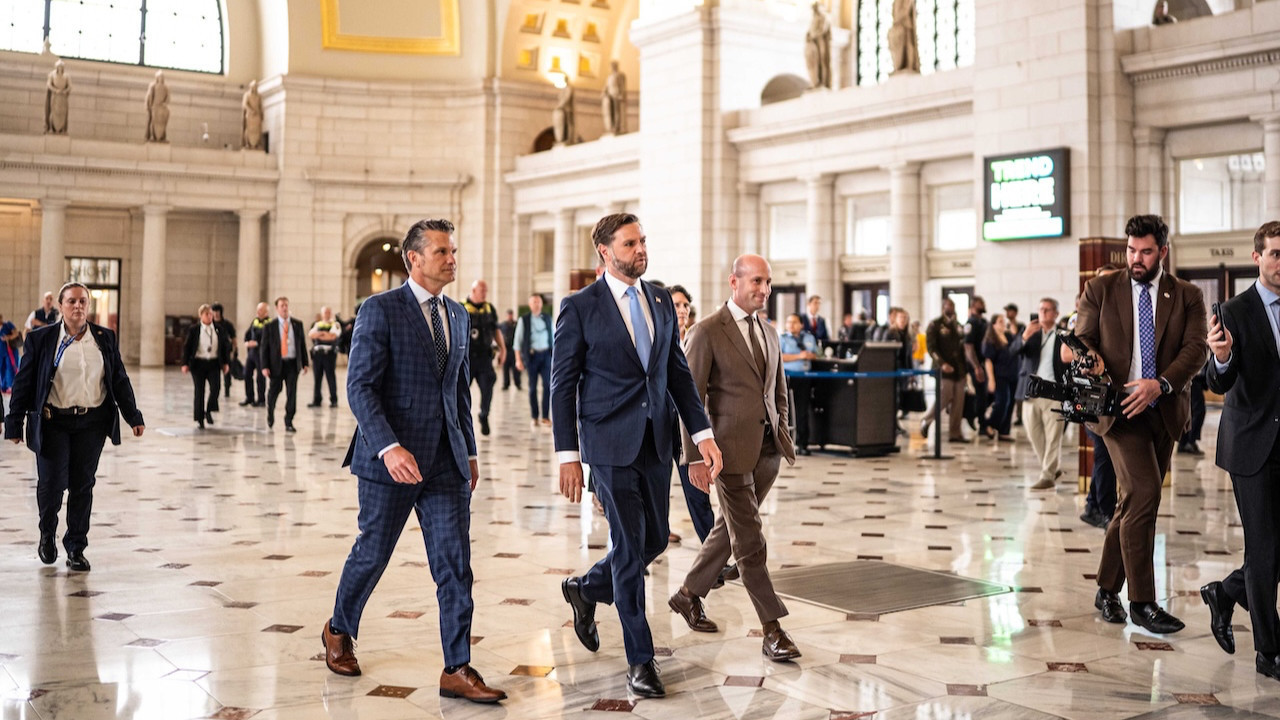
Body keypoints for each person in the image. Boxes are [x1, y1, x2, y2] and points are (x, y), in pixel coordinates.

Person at [324, 218, 505, 704]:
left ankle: (456, 667)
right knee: (373, 552)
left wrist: (468, 449)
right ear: (414, 259)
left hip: (445, 462)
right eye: (442, 252)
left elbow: (458, 392)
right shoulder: (379, 310)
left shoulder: (460, 315)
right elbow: (360, 386)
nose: (452, 259)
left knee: (455, 563)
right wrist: (388, 446)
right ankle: (339, 628)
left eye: (453, 251)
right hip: (390, 462)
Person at [552, 212, 723, 699]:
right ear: (605, 251)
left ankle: (585, 590)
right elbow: (562, 385)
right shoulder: (580, 306)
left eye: (643, 240)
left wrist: (702, 433)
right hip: (607, 444)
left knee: (653, 540)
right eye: (630, 243)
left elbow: (678, 375)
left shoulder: (660, 301)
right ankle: (640, 659)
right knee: (630, 550)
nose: (641, 249)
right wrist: (568, 455)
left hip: (655, 442)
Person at [1075, 214, 1208, 634]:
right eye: (1132, 250)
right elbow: (1084, 339)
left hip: (1163, 410)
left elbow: (1196, 349)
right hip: (1117, 411)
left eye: (1145, 251)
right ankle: (1142, 602)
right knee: (1146, 493)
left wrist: (1161, 384)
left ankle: (1106, 589)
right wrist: (1088, 359)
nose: (1136, 258)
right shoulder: (1101, 288)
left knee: (1130, 503)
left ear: (1162, 252)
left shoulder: (1186, 295)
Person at [668, 254, 801, 661]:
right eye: (757, 281)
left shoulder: (769, 332)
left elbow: (778, 391)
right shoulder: (708, 331)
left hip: (767, 451)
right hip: (724, 453)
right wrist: (693, 457)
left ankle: (688, 594)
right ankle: (772, 629)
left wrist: (784, 435)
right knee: (749, 537)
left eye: (768, 282)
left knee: (730, 528)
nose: (764, 290)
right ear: (734, 282)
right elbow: (689, 399)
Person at [4, 282, 145, 571]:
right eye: (72, 301)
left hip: (91, 423)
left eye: (83, 301)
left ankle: (76, 547)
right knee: (52, 484)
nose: (78, 306)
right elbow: (24, 381)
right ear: (60, 305)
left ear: (88, 306)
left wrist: (134, 416)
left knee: (83, 486)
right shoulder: (42, 339)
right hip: (53, 421)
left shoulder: (104, 337)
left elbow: (118, 378)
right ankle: (47, 533)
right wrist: (14, 422)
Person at [1201, 220, 1280, 679]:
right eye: (1274, 253)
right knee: (1264, 548)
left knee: (1274, 551)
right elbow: (1218, 381)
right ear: (1257, 257)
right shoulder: (1234, 310)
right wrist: (1223, 356)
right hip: (1251, 444)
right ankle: (1269, 651)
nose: (1279, 262)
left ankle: (1226, 592)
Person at [668, 284, 714, 545]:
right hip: (664, 424)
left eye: (686, 305)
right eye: (677, 305)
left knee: (698, 486)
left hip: (689, 426)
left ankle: (712, 552)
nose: (683, 310)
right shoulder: (659, 338)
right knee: (657, 487)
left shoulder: (695, 338)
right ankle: (658, 534)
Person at [1017, 298, 1068, 489]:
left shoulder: (1063, 335)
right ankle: (1051, 468)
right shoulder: (1031, 334)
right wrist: (1025, 336)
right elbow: (1014, 351)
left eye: (1047, 310)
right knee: (1034, 435)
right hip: (1030, 392)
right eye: (1040, 309)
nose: (1043, 313)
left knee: (1054, 436)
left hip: (1054, 393)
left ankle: (1047, 475)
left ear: (1055, 313)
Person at [258, 296, 309, 432]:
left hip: (292, 363)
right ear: (277, 309)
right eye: (282, 306)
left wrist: (305, 362)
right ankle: (270, 413)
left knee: (291, 393)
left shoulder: (297, 324)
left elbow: (302, 345)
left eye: (286, 305)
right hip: (276, 364)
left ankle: (289, 421)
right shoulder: (270, 326)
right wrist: (264, 366)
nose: (285, 308)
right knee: (274, 391)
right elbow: (264, 348)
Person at [462, 281, 506, 436]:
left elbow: (496, 330)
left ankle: (484, 414)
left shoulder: (489, 309)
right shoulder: (462, 308)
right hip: (466, 359)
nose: (484, 293)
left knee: (488, 388)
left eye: (486, 290)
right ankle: (460, 421)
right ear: (473, 290)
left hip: (484, 358)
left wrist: (503, 349)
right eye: (482, 290)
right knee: (460, 391)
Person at [922, 298, 967, 442]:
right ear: (943, 307)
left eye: (953, 305)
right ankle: (927, 420)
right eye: (948, 305)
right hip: (943, 369)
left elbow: (962, 347)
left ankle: (955, 433)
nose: (951, 308)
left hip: (959, 369)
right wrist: (942, 363)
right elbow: (931, 348)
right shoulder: (935, 325)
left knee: (959, 401)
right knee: (944, 397)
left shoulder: (958, 325)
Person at [181, 304, 230, 429]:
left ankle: (209, 410)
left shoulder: (219, 329)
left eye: (211, 314)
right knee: (199, 391)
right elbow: (187, 347)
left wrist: (226, 363)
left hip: (214, 363)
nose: (210, 316)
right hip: (198, 363)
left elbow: (225, 347)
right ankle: (200, 419)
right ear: (201, 315)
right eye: (207, 314)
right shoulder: (194, 329)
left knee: (216, 388)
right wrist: (185, 364)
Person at [780, 313, 819, 455]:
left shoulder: (809, 338)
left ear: (801, 324)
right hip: (789, 377)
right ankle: (787, 443)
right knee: (787, 410)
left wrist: (811, 356)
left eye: (794, 322)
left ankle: (803, 443)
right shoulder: (782, 338)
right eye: (789, 322)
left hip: (806, 378)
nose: (791, 325)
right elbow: (779, 356)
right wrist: (799, 356)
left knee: (803, 410)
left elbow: (816, 354)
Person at [514, 293, 553, 427]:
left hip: (546, 355)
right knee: (532, 388)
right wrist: (518, 360)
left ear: (542, 304)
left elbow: (554, 337)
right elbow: (517, 342)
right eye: (534, 302)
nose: (537, 304)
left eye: (539, 302)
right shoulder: (524, 320)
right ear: (530, 305)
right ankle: (534, 416)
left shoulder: (547, 318)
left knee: (548, 386)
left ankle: (545, 417)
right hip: (532, 356)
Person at [980, 313, 1019, 442]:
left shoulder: (1008, 336)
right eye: (1000, 321)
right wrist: (991, 379)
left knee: (1011, 403)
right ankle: (990, 424)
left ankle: (1004, 431)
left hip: (1012, 374)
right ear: (994, 324)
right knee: (1002, 401)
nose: (1003, 323)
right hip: (999, 375)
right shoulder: (990, 340)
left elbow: (1017, 344)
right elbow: (988, 361)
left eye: (1004, 321)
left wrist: (1012, 327)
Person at [963, 296, 991, 436]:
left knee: (987, 395)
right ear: (974, 305)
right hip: (977, 364)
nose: (984, 305)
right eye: (981, 303)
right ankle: (980, 423)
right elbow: (968, 347)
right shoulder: (971, 323)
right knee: (981, 395)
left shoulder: (983, 321)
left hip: (985, 363)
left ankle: (978, 417)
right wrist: (976, 367)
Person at [307, 306, 341, 408]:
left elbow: (333, 336)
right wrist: (325, 334)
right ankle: (316, 400)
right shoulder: (317, 324)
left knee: (330, 377)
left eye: (328, 312)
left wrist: (320, 334)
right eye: (324, 312)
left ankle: (333, 400)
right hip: (318, 354)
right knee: (317, 378)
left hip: (329, 354)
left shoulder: (335, 324)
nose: (326, 314)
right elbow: (311, 335)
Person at [240, 302, 269, 407]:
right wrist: (247, 342)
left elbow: (269, 339)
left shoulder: (269, 323)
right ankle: (249, 397)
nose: (258, 312)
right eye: (257, 310)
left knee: (260, 377)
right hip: (252, 353)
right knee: (246, 374)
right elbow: (247, 334)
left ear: (266, 312)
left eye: (260, 310)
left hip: (261, 354)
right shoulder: (255, 321)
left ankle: (261, 399)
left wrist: (257, 343)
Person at [1178, 361, 1208, 455]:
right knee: (1198, 411)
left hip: (1193, 378)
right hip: (1192, 378)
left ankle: (1185, 442)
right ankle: (1189, 442)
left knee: (1190, 411)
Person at [804, 1, 832, 89]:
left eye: (815, 8)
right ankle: (815, 82)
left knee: (822, 62)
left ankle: (823, 82)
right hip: (814, 43)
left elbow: (822, 29)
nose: (814, 10)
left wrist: (813, 35)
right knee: (813, 63)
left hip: (821, 42)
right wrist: (809, 35)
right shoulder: (814, 18)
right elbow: (811, 30)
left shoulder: (823, 17)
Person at [211, 303, 236, 399]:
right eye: (214, 312)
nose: (216, 314)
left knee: (227, 371)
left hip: (225, 350)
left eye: (218, 312)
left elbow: (233, 337)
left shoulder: (227, 324)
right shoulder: (211, 323)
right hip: (214, 350)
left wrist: (234, 350)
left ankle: (227, 389)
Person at [45, 59, 70, 135]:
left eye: (61, 67)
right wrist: (55, 90)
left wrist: (64, 91)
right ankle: (51, 128)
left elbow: (70, 86)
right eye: (59, 67)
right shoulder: (52, 75)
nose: (60, 68)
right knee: (53, 112)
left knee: (62, 113)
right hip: (55, 96)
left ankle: (62, 129)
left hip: (62, 97)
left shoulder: (66, 76)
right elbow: (49, 84)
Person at [602, 61, 627, 135]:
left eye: (613, 66)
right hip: (610, 96)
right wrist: (604, 92)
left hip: (616, 94)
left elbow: (622, 85)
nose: (612, 67)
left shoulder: (619, 75)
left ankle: (617, 126)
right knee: (611, 113)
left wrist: (621, 94)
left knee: (617, 112)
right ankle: (612, 127)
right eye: (611, 66)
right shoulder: (609, 76)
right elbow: (606, 86)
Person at [499, 309, 521, 391]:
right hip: (506, 349)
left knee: (516, 369)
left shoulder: (516, 324)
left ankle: (518, 384)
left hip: (514, 349)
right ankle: (506, 384)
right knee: (505, 369)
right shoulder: (503, 325)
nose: (510, 316)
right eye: (508, 315)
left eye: (511, 314)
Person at [145, 70, 169, 143]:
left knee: (162, 122)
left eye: (162, 77)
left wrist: (165, 103)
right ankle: (152, 135)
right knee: (153, 121)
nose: (161, 78)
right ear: (157, 78)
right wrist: (149, 105)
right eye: (159, 77)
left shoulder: (165, 87)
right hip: (154, 106)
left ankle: (162, 136)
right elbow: (150, 96)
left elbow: (168, 97)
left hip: (161, 107)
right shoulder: (153, 86)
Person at [242, 79, 263, 150]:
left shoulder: (259, 96)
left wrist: (261, 113)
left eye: (256, 87)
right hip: (250, 115)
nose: (255, 88)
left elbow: (260, 105)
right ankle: (248, 143)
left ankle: (256, 144)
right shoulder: (247, 95)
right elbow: (244, 104)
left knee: (257, 130)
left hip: (257, 115)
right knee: (249, 129)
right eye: (254, 86)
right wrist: (250, 110)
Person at [1, 314, 20, 393]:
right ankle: (3, 386)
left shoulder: (8, 325)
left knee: (10, 368)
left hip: (10, 351)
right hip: (1, 352)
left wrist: (8, 338)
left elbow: (16, 333)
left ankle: (11, 386)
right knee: (2, 368)